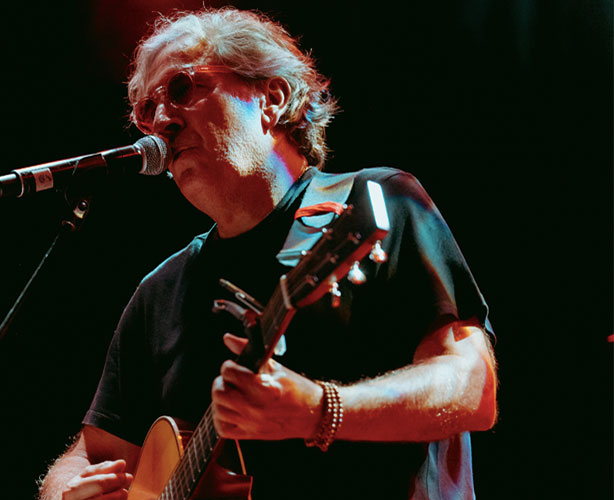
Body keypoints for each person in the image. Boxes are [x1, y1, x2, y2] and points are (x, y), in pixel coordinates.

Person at [39, 7, 497, 500]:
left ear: (272, 99)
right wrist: (63, 490)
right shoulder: (159, 293)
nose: (162, 123)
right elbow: (91, 454)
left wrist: (321, 410)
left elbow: (473, 388)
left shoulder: (370, 203)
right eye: (147, 111)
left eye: (181, 88)